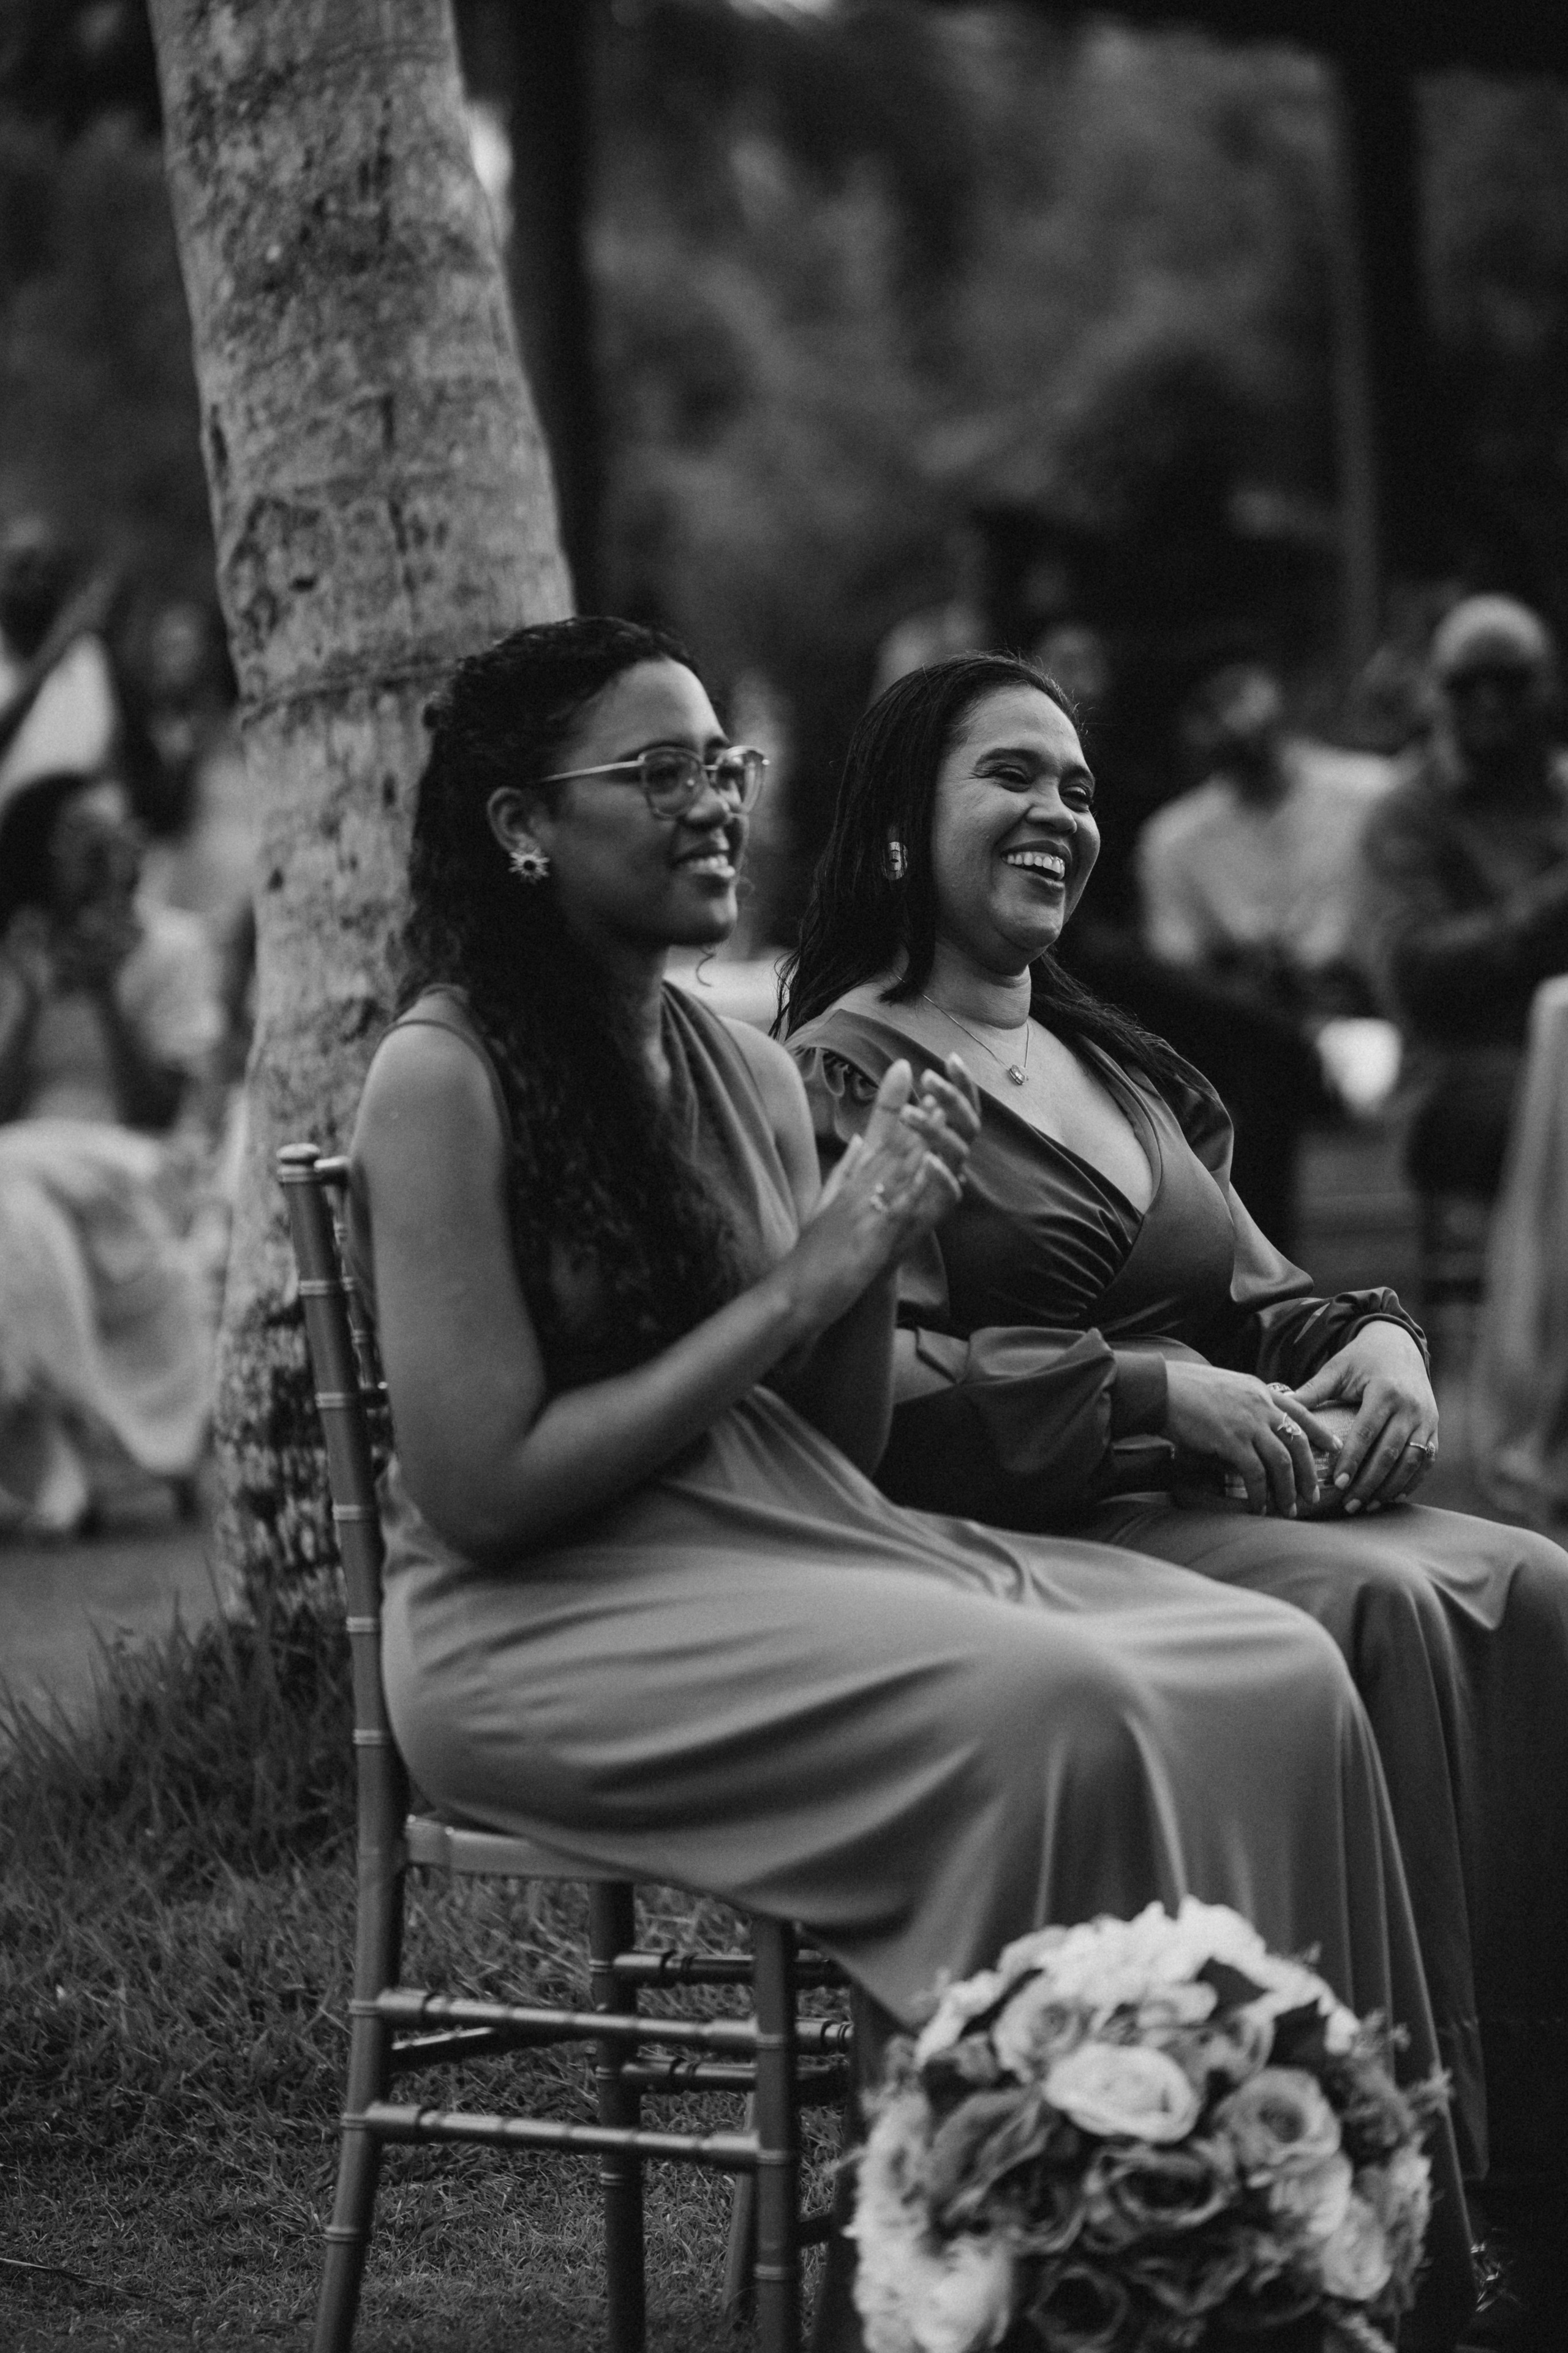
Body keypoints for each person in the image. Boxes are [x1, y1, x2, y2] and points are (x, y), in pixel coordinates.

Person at [347, 619, 1472, 2348]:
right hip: (538, 1625)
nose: (715, 802)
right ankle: (1031, 2258)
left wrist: (870, 1246)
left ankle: (1310, 2242)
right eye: (662, 772)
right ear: (520, 826)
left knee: (1279, 1669)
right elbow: (486, 1492)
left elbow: (847, 1437)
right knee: (1071, 1702)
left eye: (724, 765)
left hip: (798, 1542)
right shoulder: (441, 1077)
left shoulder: (728, 1063)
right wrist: (813, 1278)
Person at [780, 652, 1568, 2317]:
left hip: (1218, 1484)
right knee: (1376, 1605)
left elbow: (1268, 1287)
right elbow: (879, 1392)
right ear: (904, 834)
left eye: (1076, 784)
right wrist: (1157, 1394)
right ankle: (1404, 2172)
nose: (1059, 811)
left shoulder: (1118, 1062)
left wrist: (1375, 1346)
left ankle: (1544, 2145)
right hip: (1033, 1524)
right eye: (1012, 776)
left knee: (1536, 1581)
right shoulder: (845, 1072)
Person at [0, 769, 217, 1533]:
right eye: (77, 843)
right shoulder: (14, 948)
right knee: (18, 1212)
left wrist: (102, 992)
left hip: (133, 1164)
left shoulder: (172, 945)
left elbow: (158, 1108)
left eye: (109, 839)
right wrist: (29, 997)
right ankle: (82, 1456)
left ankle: (57, 1473)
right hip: (27, 1168)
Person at [1362, 594, 1568, 1205]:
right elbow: (1414, 972)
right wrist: (1551, 908)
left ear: (1549, 686)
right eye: (1466, 684)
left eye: (1509, 682)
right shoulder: (1408, 812)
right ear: (1436, 693)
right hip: (1455, 1078)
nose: (1489, 701)